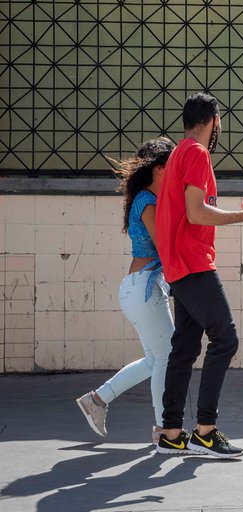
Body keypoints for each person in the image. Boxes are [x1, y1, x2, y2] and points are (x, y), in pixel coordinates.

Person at [154, 93, 243, 458]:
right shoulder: (197, 154)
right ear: (215, 121)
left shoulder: (177, 154)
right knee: (226, 339)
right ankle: (205, 431)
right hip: (194, 265)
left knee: (184, 349)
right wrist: (241, 216)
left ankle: (171, 434)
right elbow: (197, 213)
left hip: (178, 267)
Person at [76, 137, 176, 444]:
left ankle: (97, 399)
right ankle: (163, 430)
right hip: (145, 287)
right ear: (160, 169)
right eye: (173, 165)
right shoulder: (148, 200)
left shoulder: (147, 199)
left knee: (154, 359)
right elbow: (164, 245)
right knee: (165, 358)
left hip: (141, 287)